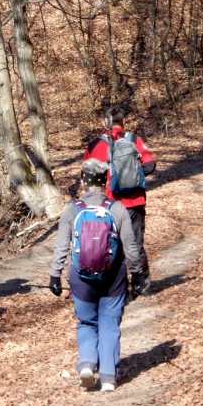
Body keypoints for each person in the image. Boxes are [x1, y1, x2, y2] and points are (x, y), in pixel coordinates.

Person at [49, 159, 150, 392]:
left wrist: (55, 276)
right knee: (109, 324)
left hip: (80, 279)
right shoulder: (116, 208)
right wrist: (138, 274)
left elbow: (62, 246)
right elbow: (131, 247)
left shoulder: (72, 209)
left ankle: (86, 363)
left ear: (83, 181)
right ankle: (107, 377)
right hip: (113, 279)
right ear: (105, 181)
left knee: (87, 322)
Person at [83, 106, 156, 278]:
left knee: (111, 245)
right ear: (123, 121)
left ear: (103, 122)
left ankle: (118, 289)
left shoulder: (94, 145)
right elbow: (150, 165)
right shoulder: (133, 139)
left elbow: (86, 175)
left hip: (108, 204)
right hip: (135, 202)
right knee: (135, 244)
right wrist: (133, 175)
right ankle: (141, 286)